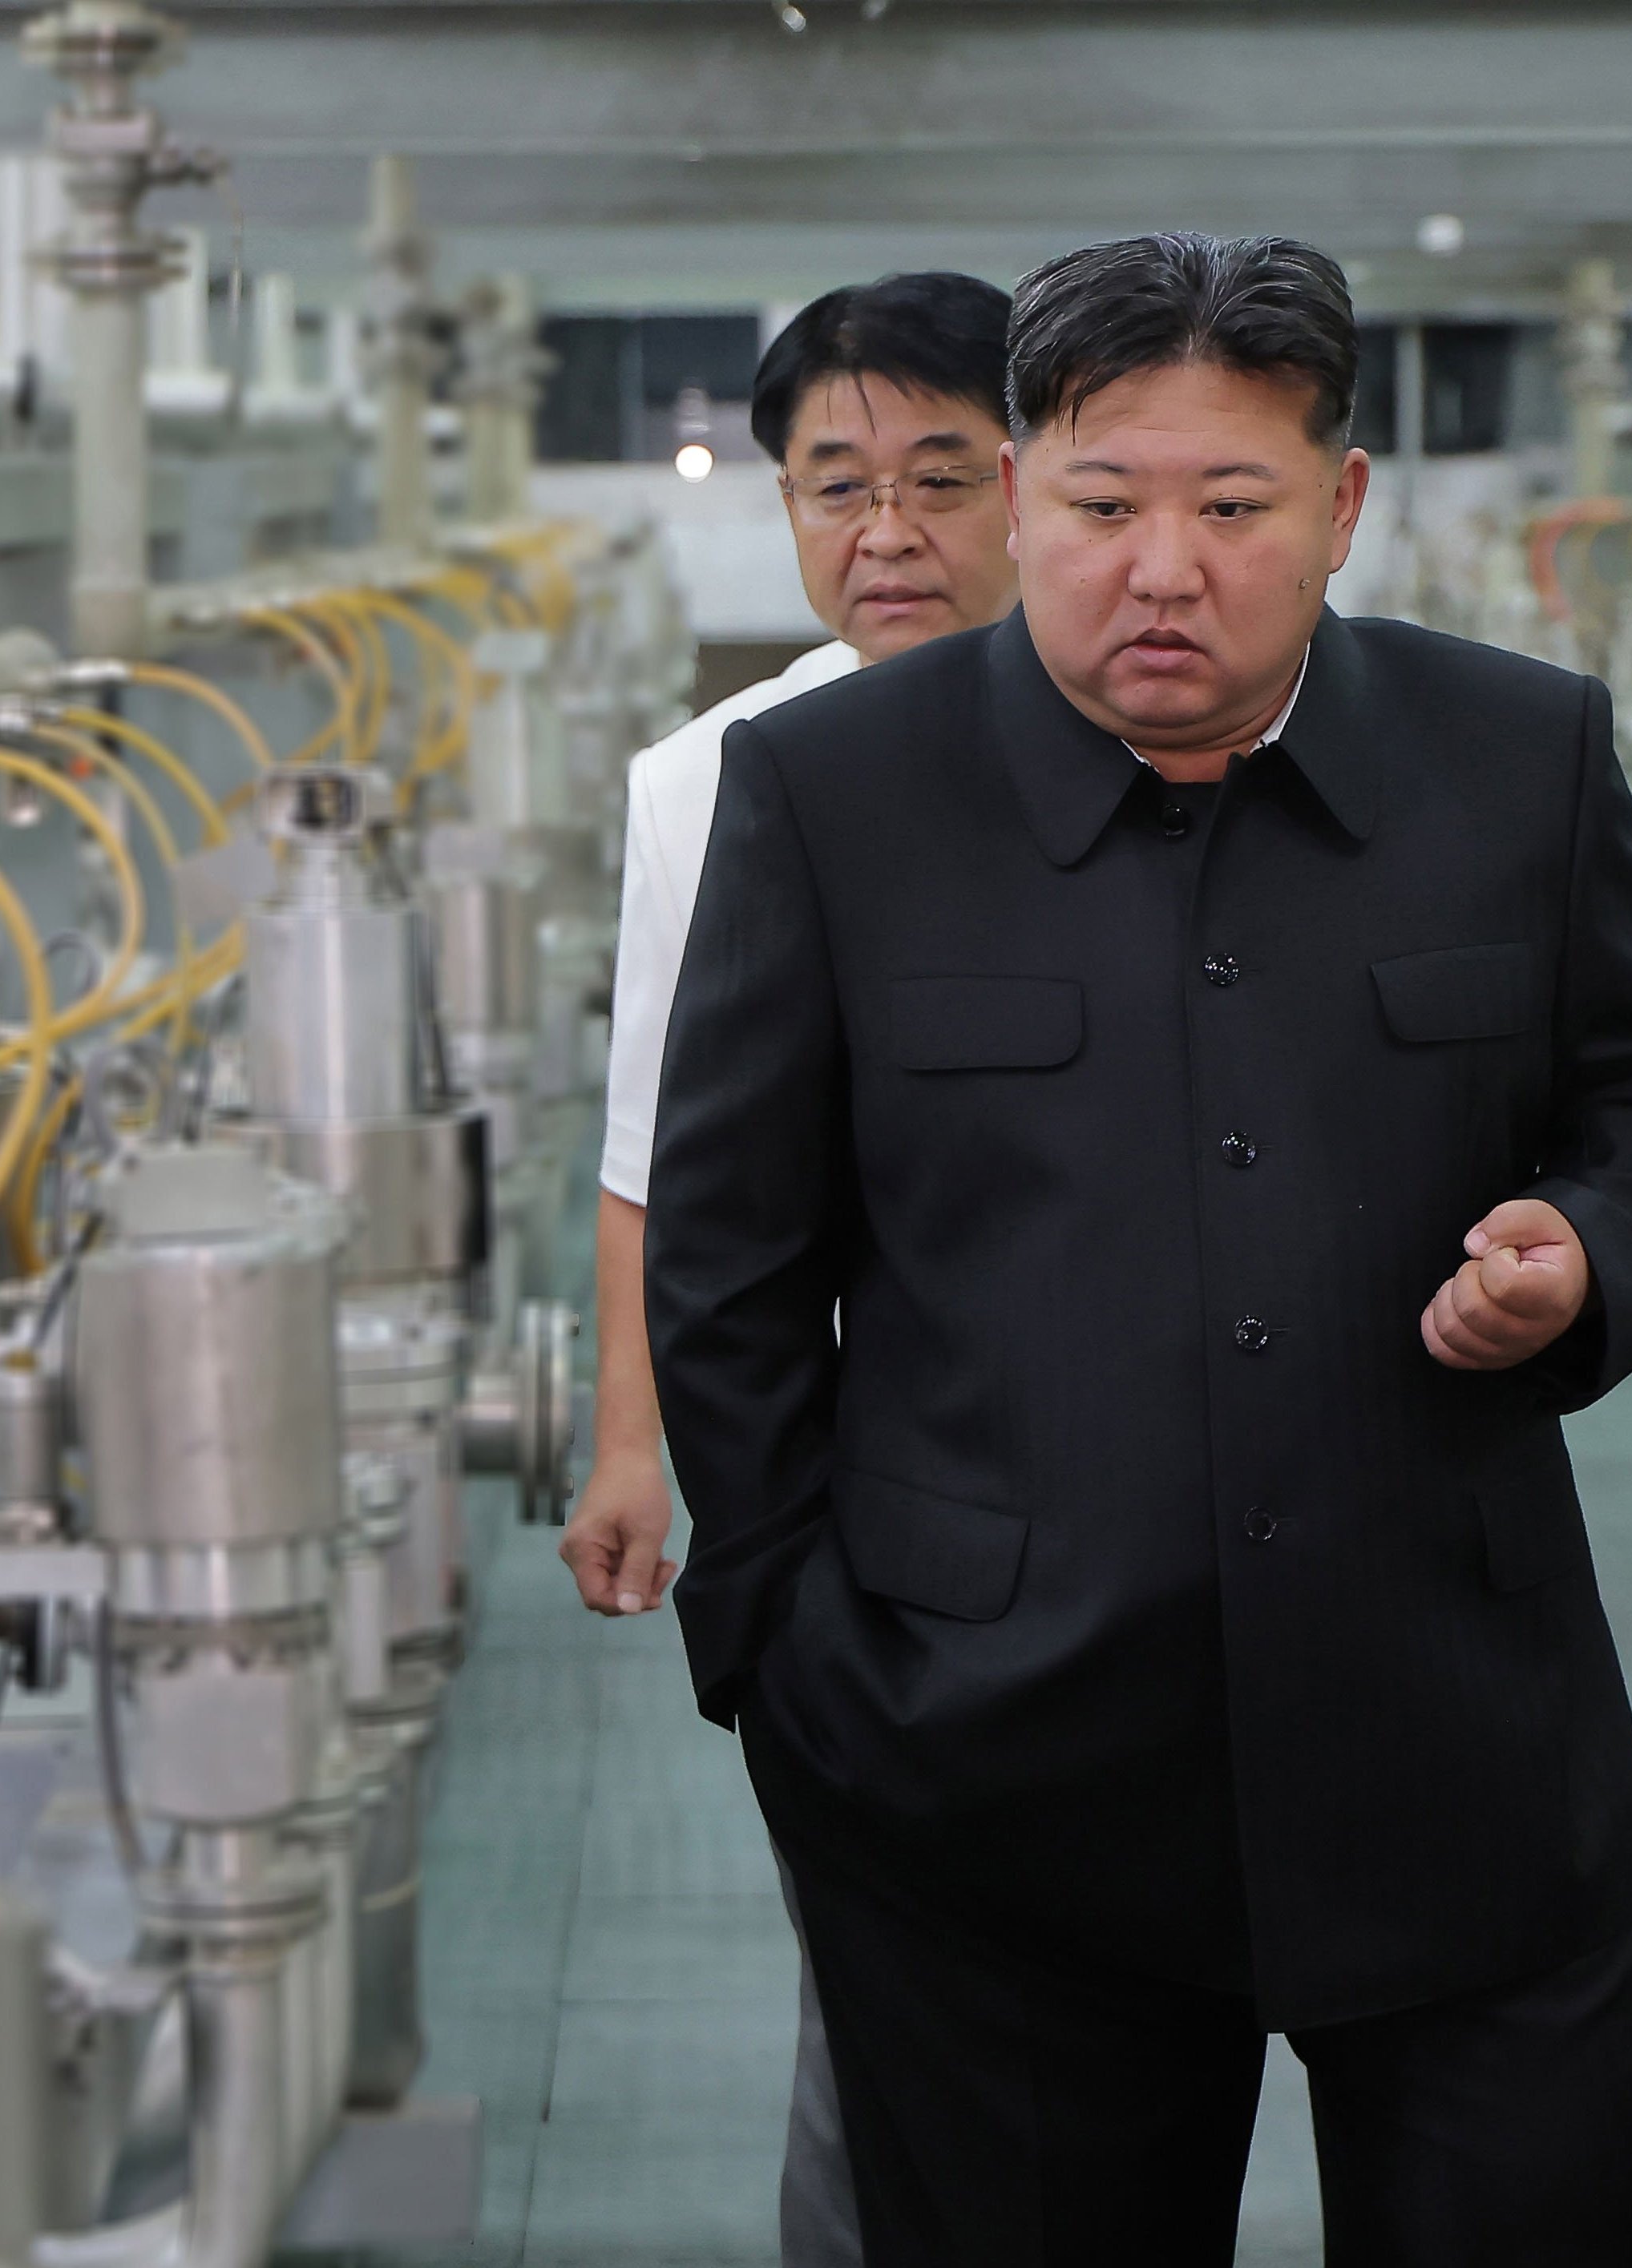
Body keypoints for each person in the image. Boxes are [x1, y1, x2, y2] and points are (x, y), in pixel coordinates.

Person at [644, 230, 1632, 2267]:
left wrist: (1588, 1251)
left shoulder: (1514, 757)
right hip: (986, 1782)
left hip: (1464, 1756)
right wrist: (787, 1663)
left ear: (1338, 509)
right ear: (1019, 498)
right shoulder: (829, 794)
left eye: (1232, 507)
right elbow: (727, 1258)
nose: (1162, 568)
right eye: (1099, 504)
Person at [559, 270, 1019, 2268]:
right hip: (866, 1485)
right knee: (891, 1995)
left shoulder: (1158, 714)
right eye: (835, 485)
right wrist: (628, 1439)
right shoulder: (715, 779)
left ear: (1033, 480)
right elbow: (656, 1145)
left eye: (938, 475)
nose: (885, 532)